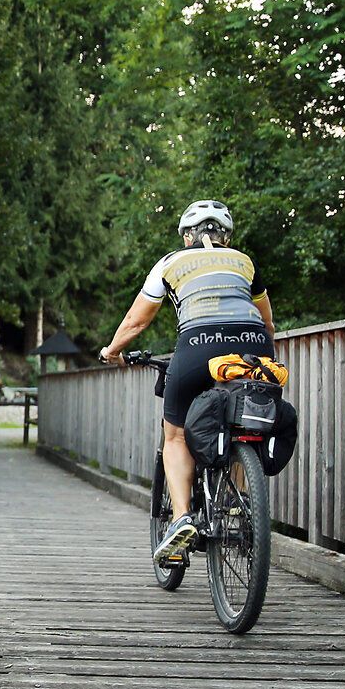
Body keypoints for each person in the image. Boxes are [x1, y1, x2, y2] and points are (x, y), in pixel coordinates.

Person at [98, 200, 277, 561]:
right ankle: (237, 504)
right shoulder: (244, 262)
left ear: (186, 236)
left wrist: (112, 351)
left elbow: (137, 320)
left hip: (198, 344)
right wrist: (265, 353)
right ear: (226, 237)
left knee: (176, 435)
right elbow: (267, 320)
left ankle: (181, 517)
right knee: (247, 419)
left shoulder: (171, 262)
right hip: (253, 345)